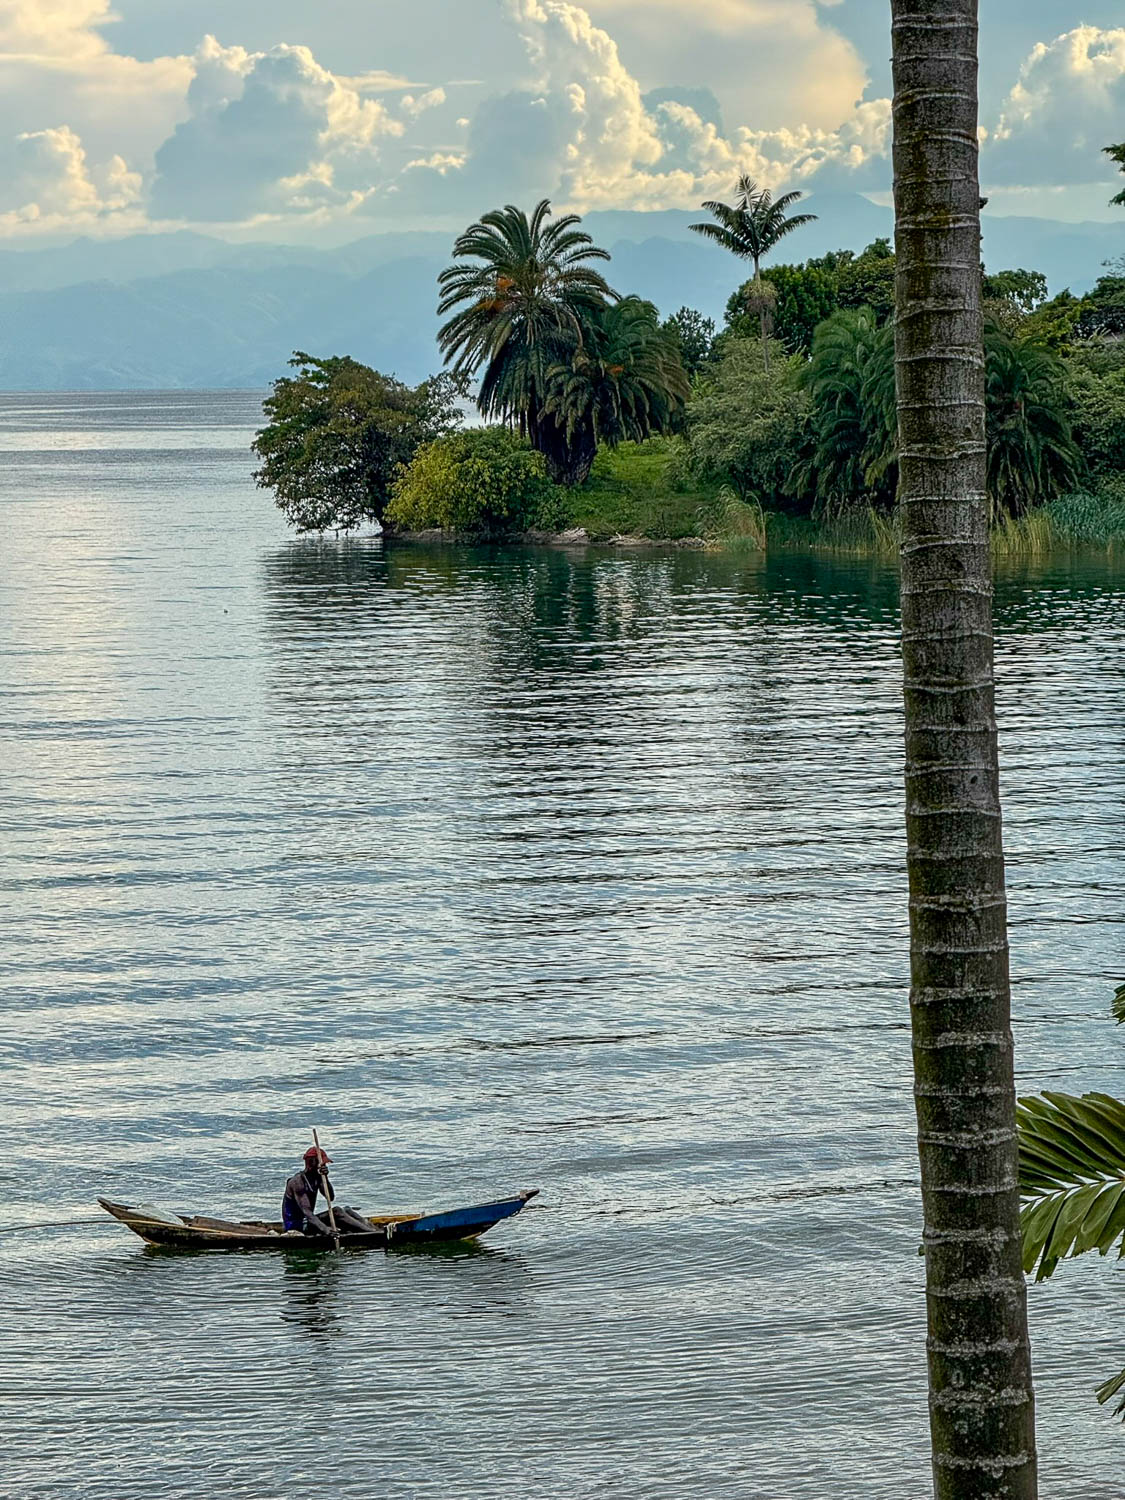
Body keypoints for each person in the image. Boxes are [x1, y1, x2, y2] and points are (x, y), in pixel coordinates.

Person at [281, 1146, 371, 1237]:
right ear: (311, 1162)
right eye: (322, 1163)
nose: (324, 1166)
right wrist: (325, 1229)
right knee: (336, 1211)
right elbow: (308, 1214)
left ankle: (371, 1229)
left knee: (347, 1210)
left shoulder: (317, 1177)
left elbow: (330, 1197)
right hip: (297, 1225)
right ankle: (371, 1233)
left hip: (308, 1220)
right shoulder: (297, 1182)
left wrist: (325, 1178)